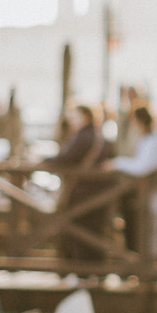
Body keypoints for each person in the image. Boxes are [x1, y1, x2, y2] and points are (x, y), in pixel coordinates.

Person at [40, 104, 113, 262]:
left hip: (83, 191)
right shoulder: (99, 135)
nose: (72, 120)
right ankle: (95, 271)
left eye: (75, 116)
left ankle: (82, 271)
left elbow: (66, 158)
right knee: (94, 232)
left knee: (81, 231)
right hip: (97, 192)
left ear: (85, 117)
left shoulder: (84, 136)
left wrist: (43, 161)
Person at [110, 106, 157, 253]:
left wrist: (117, 163)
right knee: (148, 226)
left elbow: (143, 166)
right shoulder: (147, 139)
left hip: (154, 189)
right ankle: (147, 259)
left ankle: (151, 261)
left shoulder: (152, 139)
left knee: (152, 227)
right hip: (148, 190)